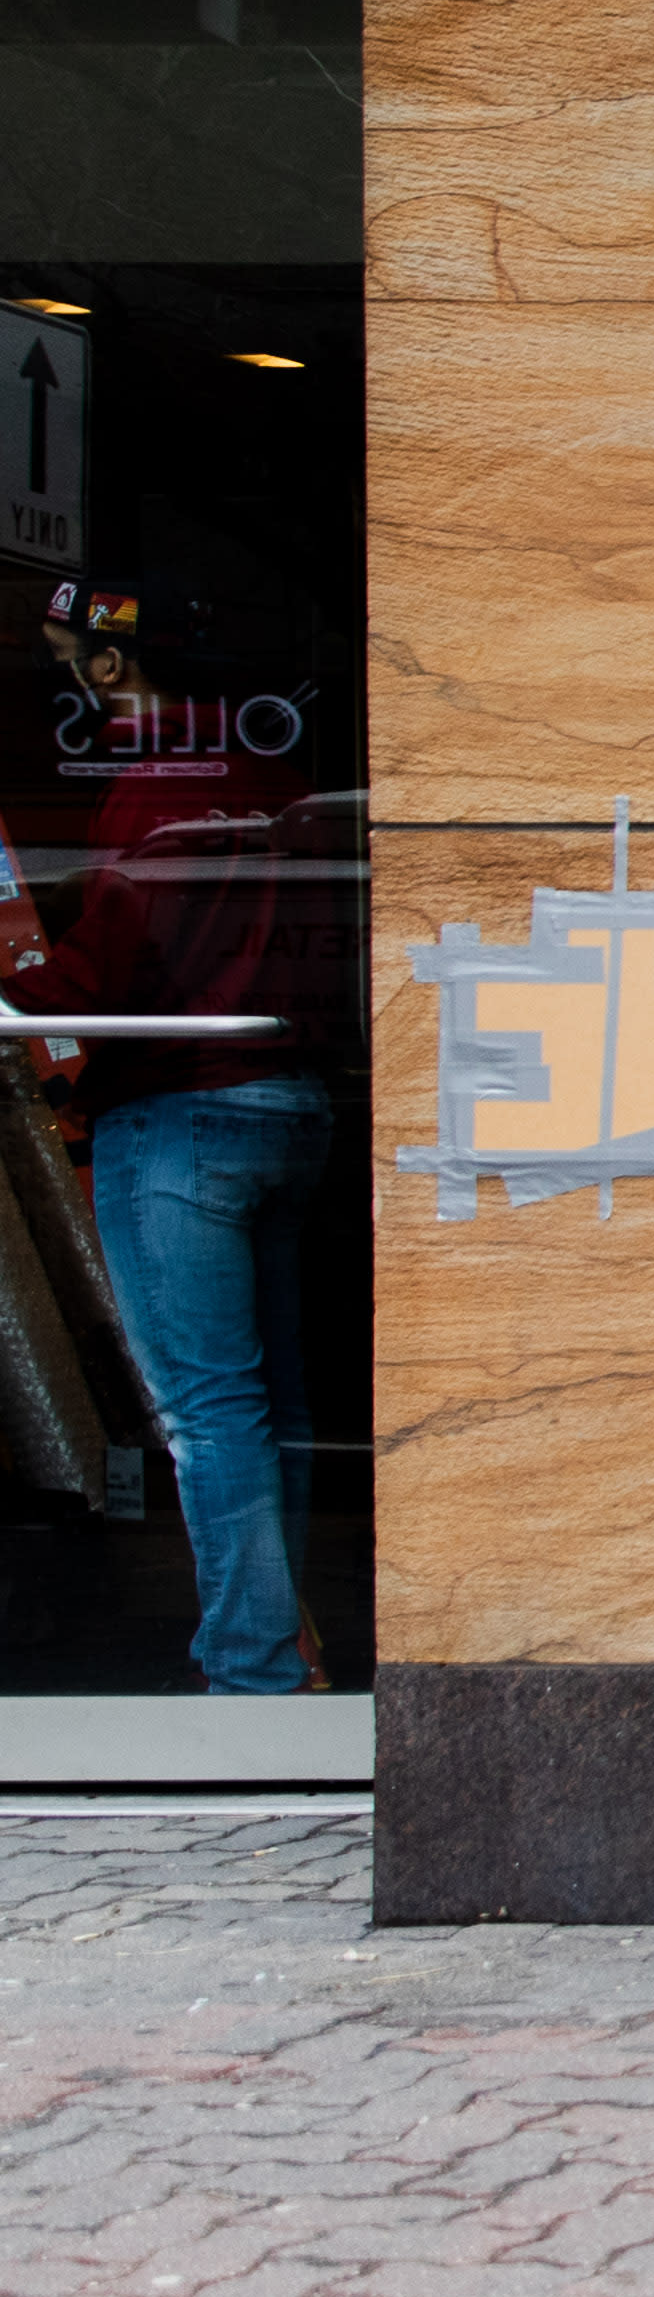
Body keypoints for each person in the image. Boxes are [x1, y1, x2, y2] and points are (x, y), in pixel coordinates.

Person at [24, 578, 349, 1696]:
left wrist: (22, 992)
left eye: (69, 655)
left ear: (111, 669)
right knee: (275, 1404)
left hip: (176, 1121)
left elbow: (112, 964)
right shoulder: (278, 781)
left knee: (209, 1408)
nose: (65, 675)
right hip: (290, 1105)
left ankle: (253, 1667)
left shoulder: (143, 791)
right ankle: (288, 1642)